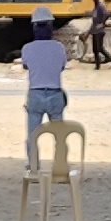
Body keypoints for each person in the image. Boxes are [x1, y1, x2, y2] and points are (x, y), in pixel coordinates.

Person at [18, 10, 72, 147]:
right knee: (59, 136)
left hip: (35, 94)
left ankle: (32, 167)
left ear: (34, 27)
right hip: (55, 94)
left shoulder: (27, 48)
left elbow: (26, 66)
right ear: (50, 27)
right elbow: (61, 67)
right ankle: (60, 164)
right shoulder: (59, 47)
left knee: (32, 136)